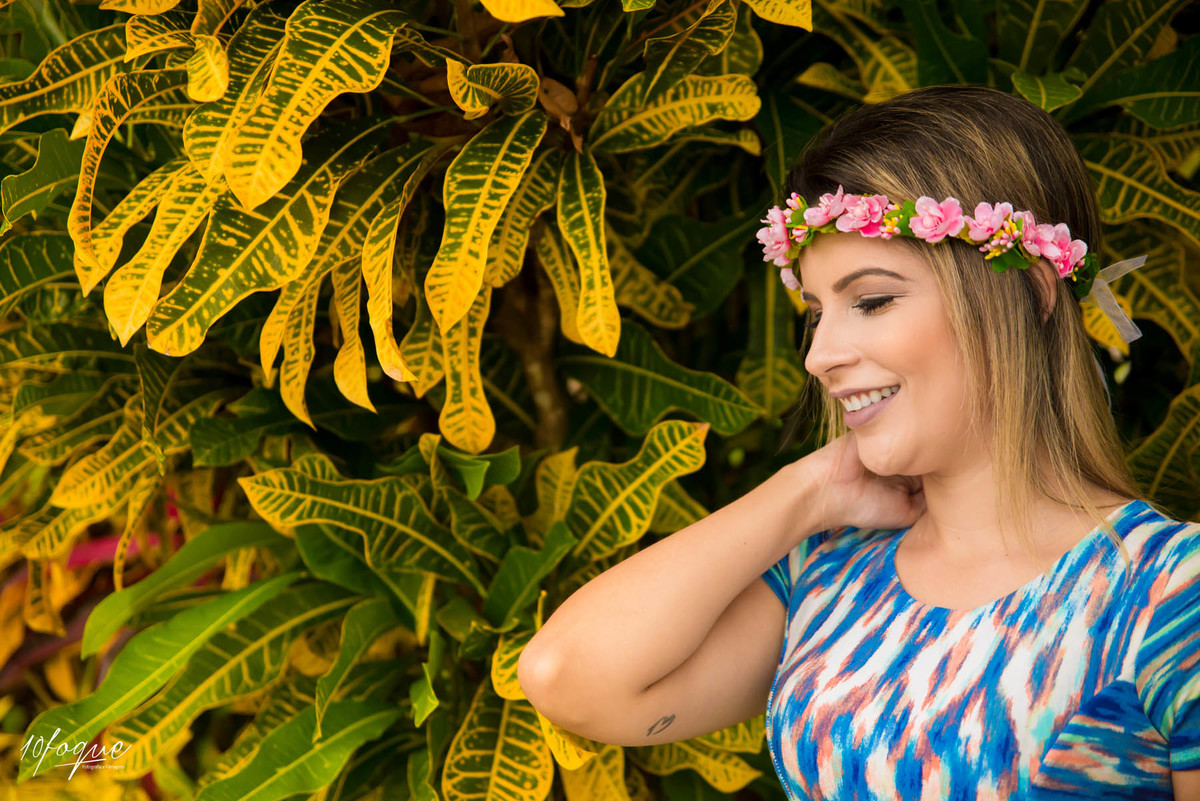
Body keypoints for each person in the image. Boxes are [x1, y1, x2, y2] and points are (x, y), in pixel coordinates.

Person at [516, 86, 1200, 800]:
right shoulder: (828, 573)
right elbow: (566, 675)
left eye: (871, 300)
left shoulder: (1166, 591)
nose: (819, 355)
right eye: (817, 311)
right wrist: (807, 490)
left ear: (1028, 293)